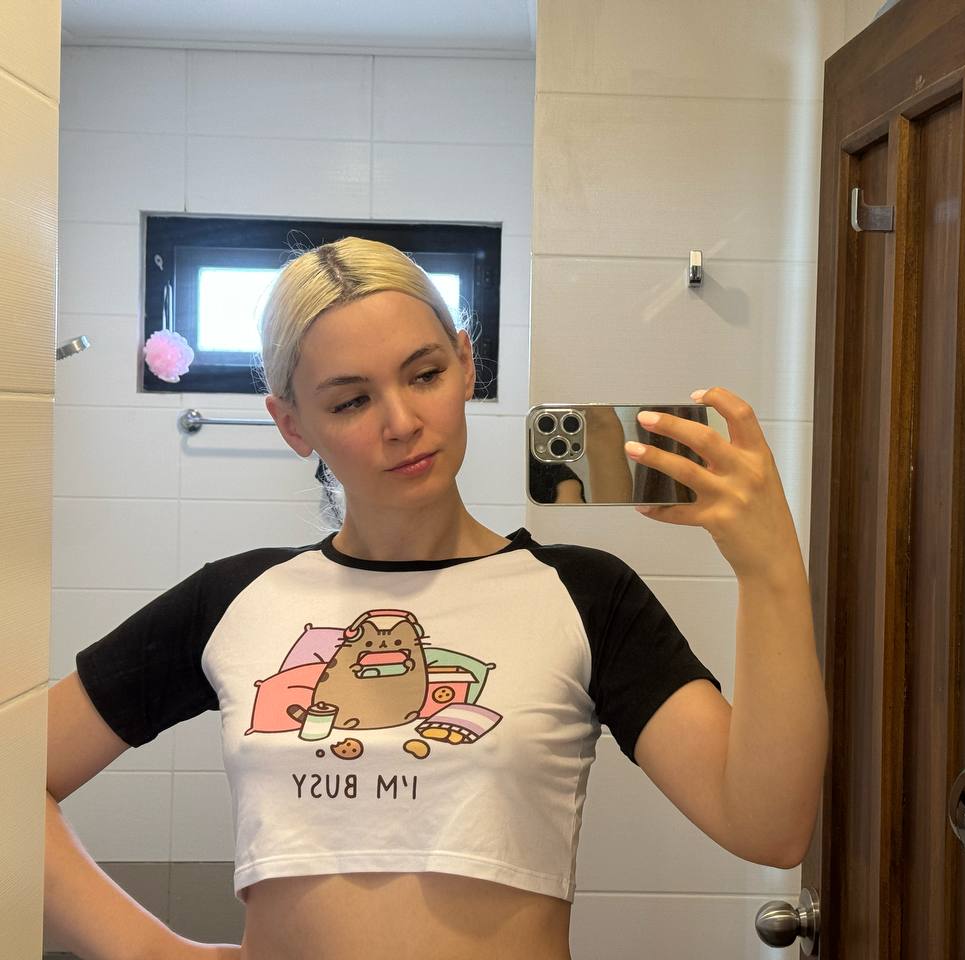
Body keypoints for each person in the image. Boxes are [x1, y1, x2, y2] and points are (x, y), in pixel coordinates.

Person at [44, 237, 828, 960]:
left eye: (424, 375)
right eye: (350, 401)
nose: (402, 422)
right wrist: (147, 951)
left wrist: (770, 569)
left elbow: (768, 825)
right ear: (292, 424)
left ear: (465, 362)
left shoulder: (584, 595)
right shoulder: (234, 599)